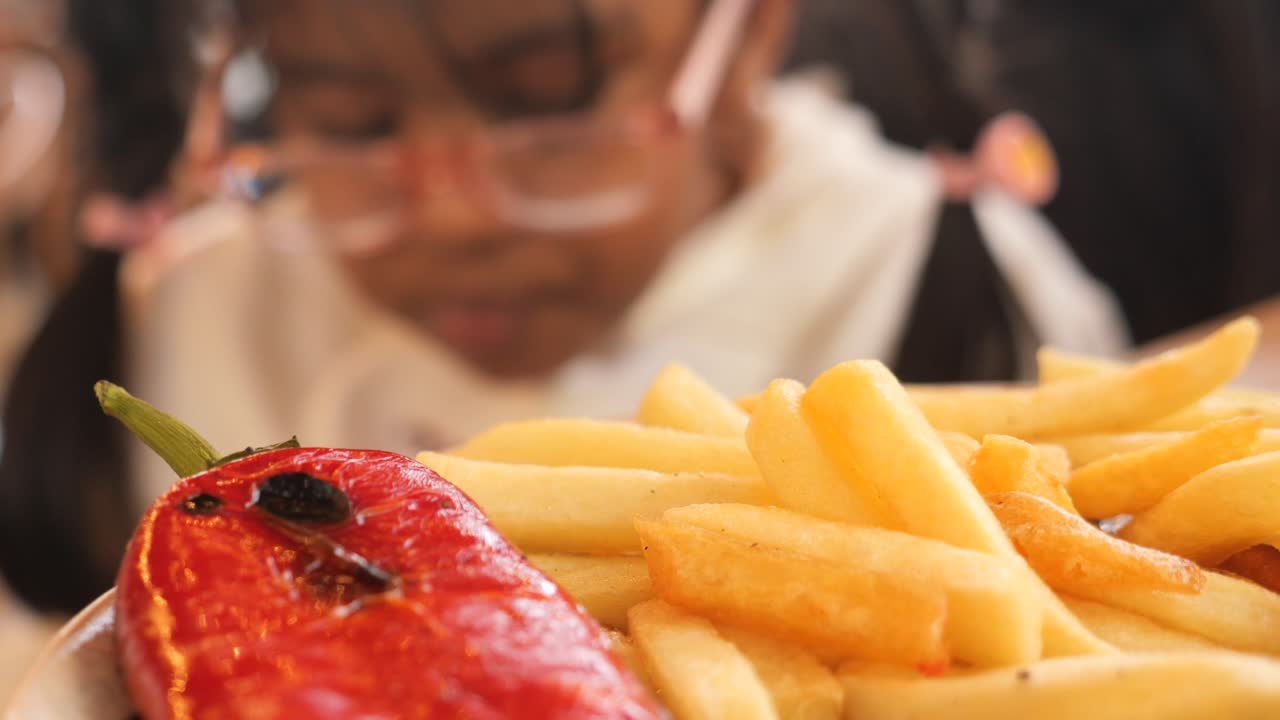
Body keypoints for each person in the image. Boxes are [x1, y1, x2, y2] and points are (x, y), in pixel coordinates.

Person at [0, 0, 1127, 616]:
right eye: (348, 120)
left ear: (743, 41)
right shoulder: (201, 315)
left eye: (549, 108)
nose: (449, 216)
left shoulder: (943, 283)